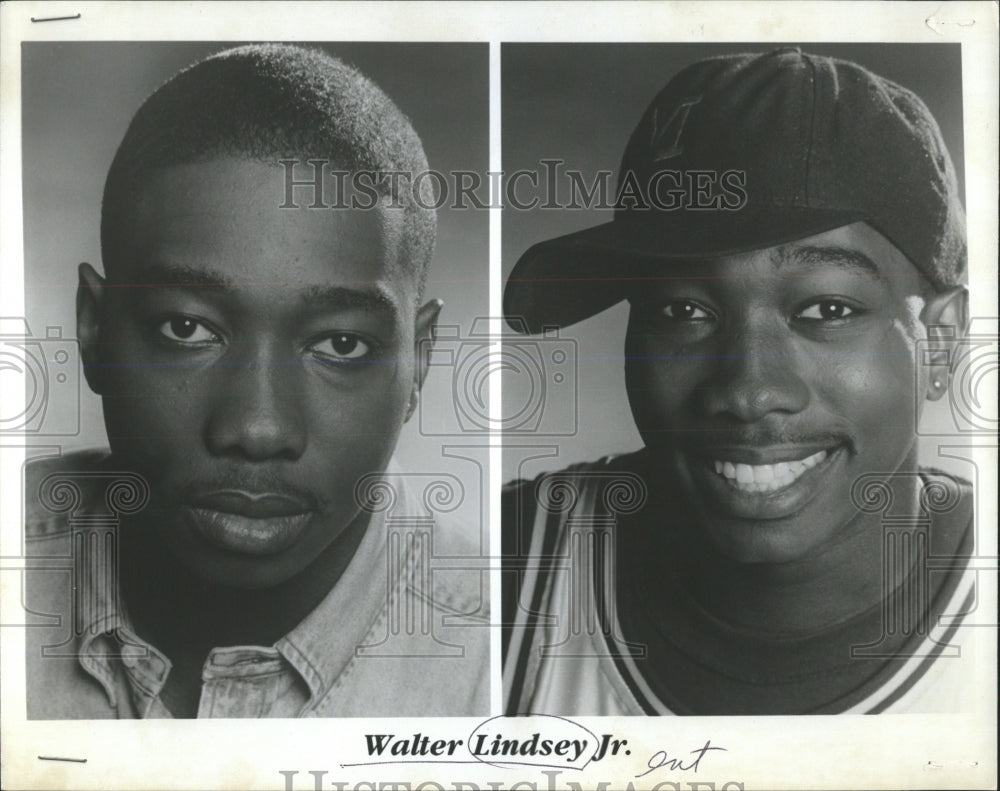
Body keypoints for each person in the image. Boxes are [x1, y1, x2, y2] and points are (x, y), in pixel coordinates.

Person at [502, 47, 976, 715]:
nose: (748, 391)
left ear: (943, 340)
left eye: (826, 310)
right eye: (684, 310)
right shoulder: (509, 569)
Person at [25, 44, 488, 718]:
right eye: (187, 329)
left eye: (340, 343)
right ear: (95, 328)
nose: (257, 429)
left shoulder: (509, 667)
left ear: (418, 361)